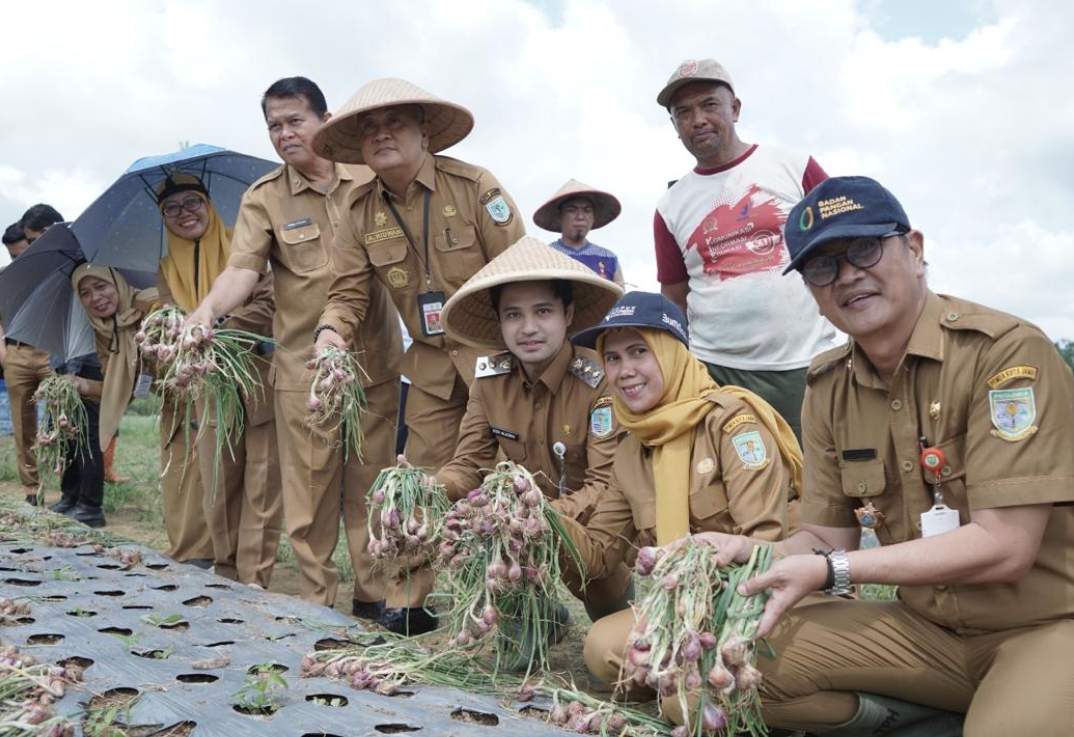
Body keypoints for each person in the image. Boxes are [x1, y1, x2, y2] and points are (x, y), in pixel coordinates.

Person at [700, 176, 1074, 737]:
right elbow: (825, 540)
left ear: (915, 249)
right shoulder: (827, 384)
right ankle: (921, 716)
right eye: (822, 267)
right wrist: (752, 551)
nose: (847, 275)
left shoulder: (1006, 352)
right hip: (922, 631)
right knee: (712, 675)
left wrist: (834, 571)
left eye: (864, 249)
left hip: (1043, 625)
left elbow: (1005, 547)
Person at [311, 77, 525, 634]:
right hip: (430, 367)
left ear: (425, 131)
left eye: (395, 124)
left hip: (496, 364)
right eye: (370, 129)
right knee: (419, 480)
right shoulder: (358, 210)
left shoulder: (475, 187)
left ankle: (516, 603)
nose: (381, 135)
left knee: (511, 482)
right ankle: (408, 602)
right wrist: (332, 333)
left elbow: (520, 274)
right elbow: (348, 293)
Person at [184, 77, 403, 612]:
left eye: (294, 121)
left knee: (372, 485)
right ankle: (316, 600)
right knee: (310, 491)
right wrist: (206, 311)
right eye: (273, 126)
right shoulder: (265, 198)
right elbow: (242, 270)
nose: (283, 134)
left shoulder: (370, 177)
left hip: (373, 362)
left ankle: (373, 597)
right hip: (303, 370)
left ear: (325, 121)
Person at [562, 291, 802, 706]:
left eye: (639, 352)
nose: (624, 371)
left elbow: (767, 546)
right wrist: (537, 517)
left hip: (761, 601)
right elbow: (600, 553)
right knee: (602, 648)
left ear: (672, 353)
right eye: (613, 358)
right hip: (684, 611)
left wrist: (690, 625)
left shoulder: (732, 423)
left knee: (682, 695)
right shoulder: (632, 450)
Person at [435, 235, 631, 622]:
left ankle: (615, 601)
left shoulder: (599, 381)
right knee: (518, 655)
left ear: (568, 314)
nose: (528, 328)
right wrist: (431, 488)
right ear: (500, 322)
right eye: (513, 315)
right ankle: (536, 617)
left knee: (612, 644)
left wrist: (539, 516)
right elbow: (469, 464)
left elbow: (605, 486)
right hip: (519, 531)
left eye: (543, 312)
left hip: (589, 530)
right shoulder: (489, 381)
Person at [652, 58, 836, 440]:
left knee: (823, 479)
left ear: (734, 108)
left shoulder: (792, 166)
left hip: (806, 362)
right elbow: (674, 296)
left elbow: (843, 241)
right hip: (717, 372)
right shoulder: (670, 207)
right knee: (738, 483)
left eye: (709, 105)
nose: (697, 119)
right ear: (674, 127)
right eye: (683, 113)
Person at [155, 173, 282, 583]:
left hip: (256, 373)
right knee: (217, 477)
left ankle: (254, 574)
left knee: (260, 477)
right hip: (206, 380)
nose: (184, 214)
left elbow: (269, 302)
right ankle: (225, 570)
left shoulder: (245, 247)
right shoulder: (165, 268)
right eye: (171, 209)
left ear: (209, 205)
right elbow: (168, 316)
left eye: (192, 202)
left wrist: (218, 326)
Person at [61, 265, 158, 527]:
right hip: (168, 399)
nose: (95, 297)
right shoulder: (104, 331)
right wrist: (82, 385)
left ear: (117, 283)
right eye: (85, 293)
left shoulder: (150, 304)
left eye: (101, 286)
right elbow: (118, 388)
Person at [2, 211, 60, 503]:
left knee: (65, 417)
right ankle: (30, 489)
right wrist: (3, 354)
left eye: (21, 254)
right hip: (17, 353)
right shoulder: (6, 278)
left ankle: (68, 487)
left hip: (51, 352)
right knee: (23, 425)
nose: (17, 261)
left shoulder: (57, 273)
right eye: (11, 256)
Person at [533, 179, 625, 284]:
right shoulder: (545, 255)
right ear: (559, 216)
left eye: (587, 210)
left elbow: (620, 297)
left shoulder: (608, 258)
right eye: (572, 210)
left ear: (593, 217)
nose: (580, 217)